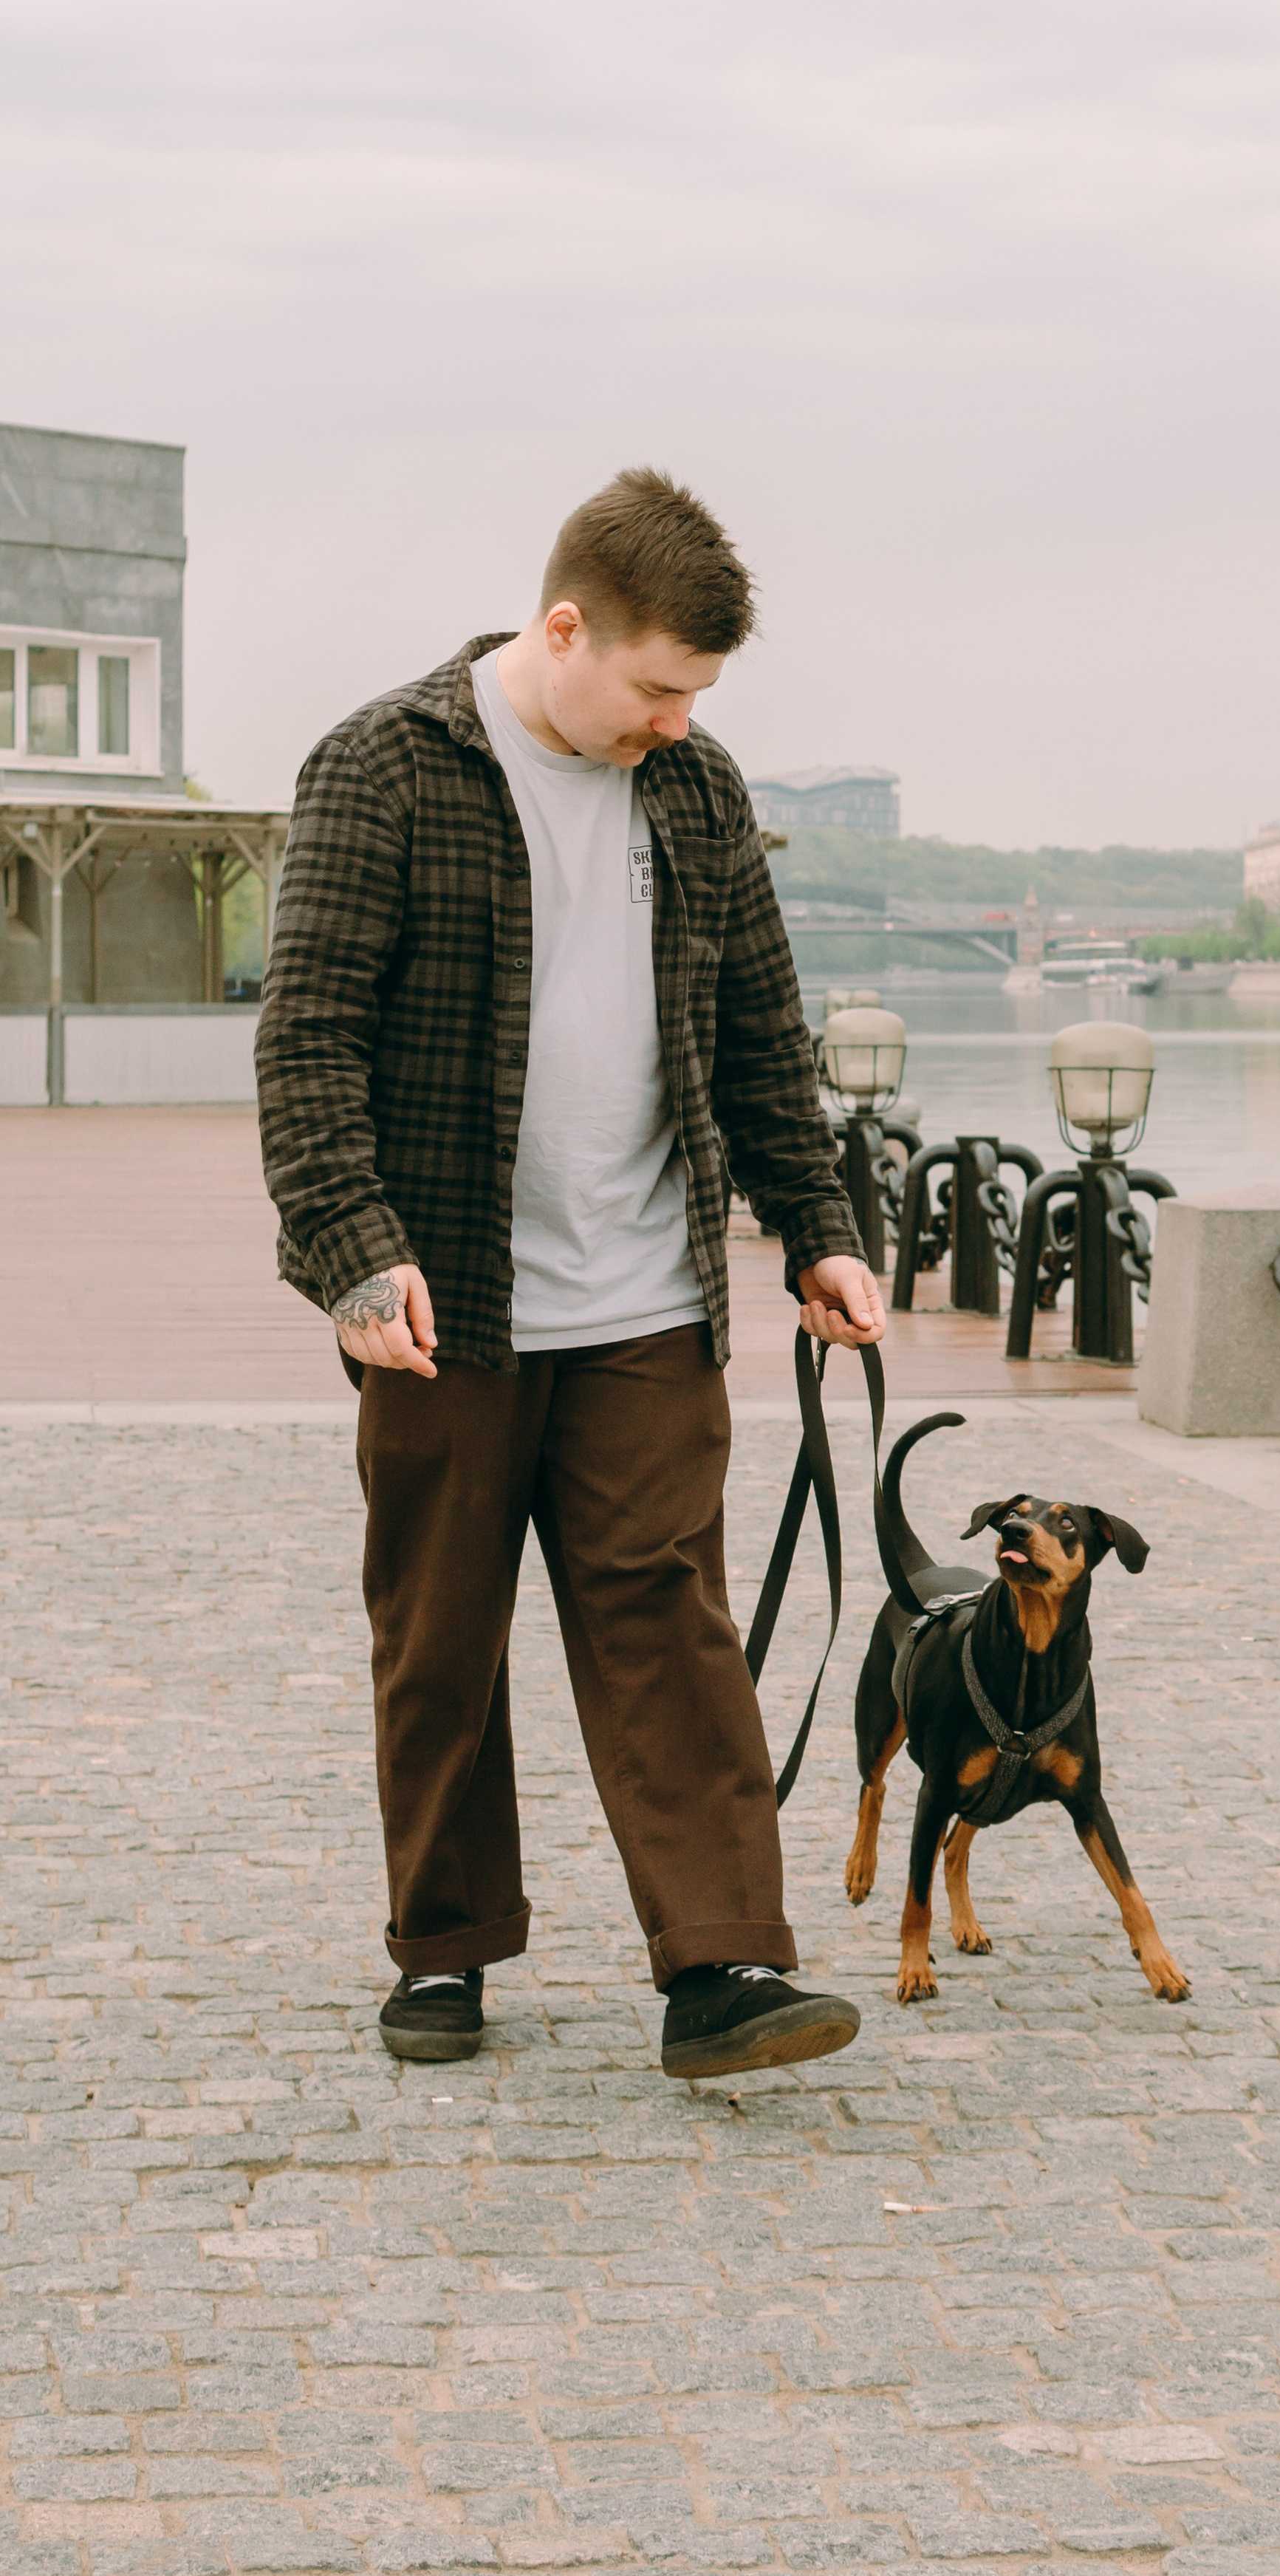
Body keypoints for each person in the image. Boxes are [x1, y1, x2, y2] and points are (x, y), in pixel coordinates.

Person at [256, 465, 884, 2077]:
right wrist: (353, 1250)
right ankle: (445, 1952)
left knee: (662, 1616)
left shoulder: (694, 788)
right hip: (441, 1296)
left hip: (646, 1296)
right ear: (563, 629)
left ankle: (721, 1961)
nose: (675, 721)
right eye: (658, 685)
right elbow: (308, 1039)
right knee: (440, 1626)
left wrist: (817, 1226)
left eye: (698, 695)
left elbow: (758, 1029)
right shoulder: (384, 768)